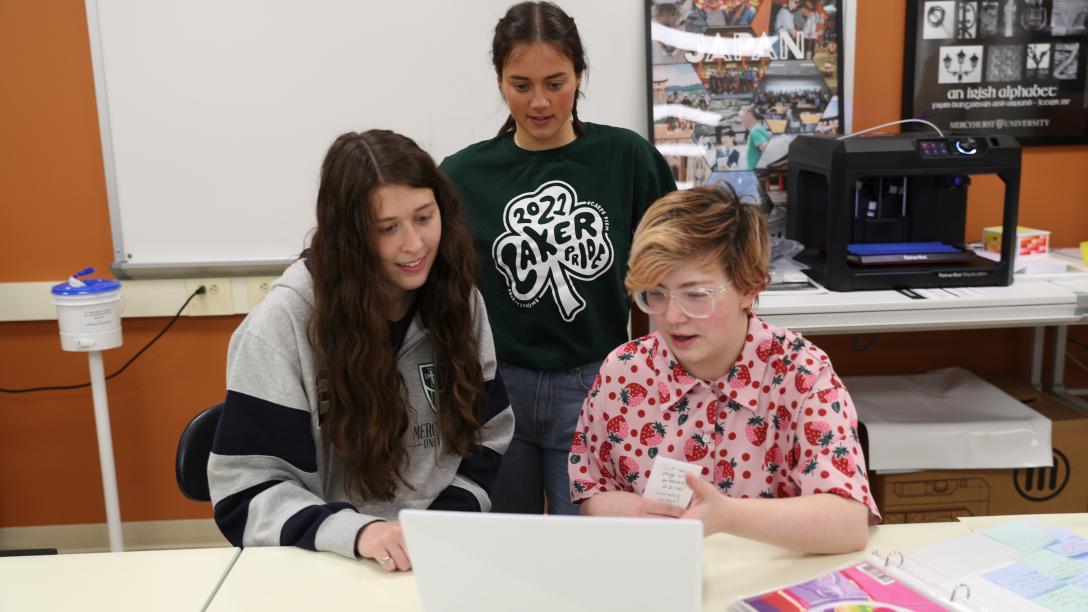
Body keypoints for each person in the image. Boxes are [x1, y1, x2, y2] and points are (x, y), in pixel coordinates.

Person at [208, 130, 515, 570]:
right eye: (387, 229)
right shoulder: (282, 325)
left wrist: (442, 525)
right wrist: (358, 533)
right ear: (348, 238)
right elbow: (246, 491)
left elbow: (488, 434)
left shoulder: (459, 301)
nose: (413, 244)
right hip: (327, 558)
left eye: (424, 218)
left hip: (437, 550)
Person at [441, 1, 676, 516]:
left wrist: (660, 374)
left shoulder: (627, 159)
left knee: (590, 550)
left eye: (556, 81)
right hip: (498, 389)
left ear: (580, 74)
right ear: (500, 80)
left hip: (599, 384)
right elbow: (444, 291)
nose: (540, 102)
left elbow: (672, 271)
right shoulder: (462, 176)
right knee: (505, 550)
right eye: (521, 85)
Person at [569, 185, 879, 554]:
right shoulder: (624, 372)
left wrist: (727, 516)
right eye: (655, 293)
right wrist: (639, 512)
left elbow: (847, 523)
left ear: (750, 288)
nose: (671, 317)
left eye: (696, 295)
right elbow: (593, 492)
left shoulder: (801, 373)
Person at [739, 105, 771, 170]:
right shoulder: (758, 127)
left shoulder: (755, 131)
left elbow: (766, 151)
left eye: (741, 117)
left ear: (749, 116)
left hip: (755, 173)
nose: (739, 120)